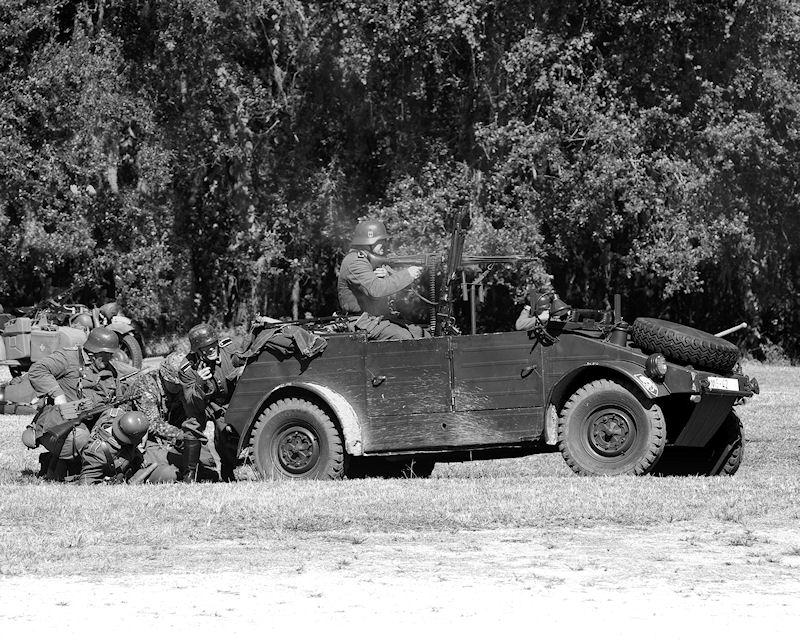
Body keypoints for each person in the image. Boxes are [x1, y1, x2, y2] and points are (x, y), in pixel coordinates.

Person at [27, 327, 136, 479]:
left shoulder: (110, 369)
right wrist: (57, 394)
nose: (109, 359)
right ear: (93, 351)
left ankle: (97, 469)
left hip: (92, 422)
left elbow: (122, 388)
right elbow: (37, 370)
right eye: (106, 354)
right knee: (81, 438)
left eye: (111, 354)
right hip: (60, 423)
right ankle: (68, 469)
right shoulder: (68, 357)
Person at [337, 219, 426, 340]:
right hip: (361, 321)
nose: (385, 244)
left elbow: (398, 287)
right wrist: (408, 274)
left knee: (421, 333)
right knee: (403, 338)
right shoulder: (355, 262)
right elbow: (376, 290)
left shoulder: (373, 260)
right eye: (380, 241)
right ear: (368, 242)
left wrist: (389, 276)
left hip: (379, 318)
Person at [178, 324, 244, 482]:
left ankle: (228, 471)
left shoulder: (229, 348)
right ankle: (189, 475)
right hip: (202, 403)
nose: (210, 349)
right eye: (204, 347)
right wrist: (199, 383)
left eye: (212, 344)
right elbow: (192, 404)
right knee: (191, 425)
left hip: (228, 401)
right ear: (197, 350)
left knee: (226, 430)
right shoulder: (187, 369)